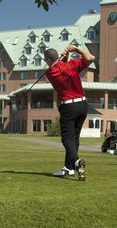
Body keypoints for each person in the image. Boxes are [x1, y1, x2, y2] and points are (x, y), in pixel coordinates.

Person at [44, 45, 95, 177]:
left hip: (69, 107)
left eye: (46, 60)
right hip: (83, 105)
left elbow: (60, 69)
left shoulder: (50, 72)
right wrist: (76, 49)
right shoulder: (72, 64)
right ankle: (69, 167)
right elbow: (91, 58)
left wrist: (63, 59)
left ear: (49, 60)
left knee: (67, 138)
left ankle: (76, 162)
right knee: (74, 138)